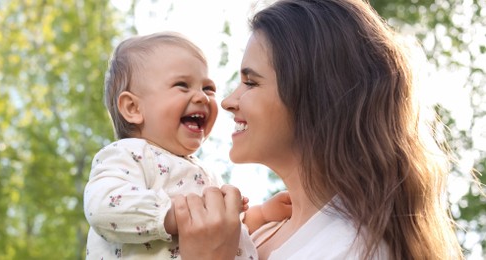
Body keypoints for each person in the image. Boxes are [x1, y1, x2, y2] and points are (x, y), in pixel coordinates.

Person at [176, 0, 463, 259]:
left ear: (315, 94)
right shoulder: (261, 232)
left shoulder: (354, 249)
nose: (227, 102)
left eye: (251, 83)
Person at [83, 31, 292, 259]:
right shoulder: (129, 155)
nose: (202, 97)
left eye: (208, 88)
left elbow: (224, 228)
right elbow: (103, 207)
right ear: (133, 108)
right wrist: (173, 215)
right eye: (182, 85)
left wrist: (261, 214)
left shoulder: (206, 173)